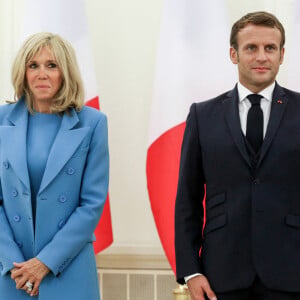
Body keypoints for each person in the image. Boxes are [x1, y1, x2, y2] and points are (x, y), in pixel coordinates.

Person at [175, 11, 300, 300]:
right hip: (222, 276)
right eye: (251, 48)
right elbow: (187, 200)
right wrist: (191, 271)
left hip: (291, 273)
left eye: (270, 48)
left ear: (282, 55)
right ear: (234, 54)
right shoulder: (202, 115)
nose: (261, 56)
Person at [0, 32, 109, 299]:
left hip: (67, 267)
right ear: (23, 72)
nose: (42, 74)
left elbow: (91, 204)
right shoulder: (1, 121)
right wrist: (16, 265)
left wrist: (45, 262)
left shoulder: (92, 123)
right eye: (33, 65)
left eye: (52, 65)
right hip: (12, 270)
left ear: (66, 72)